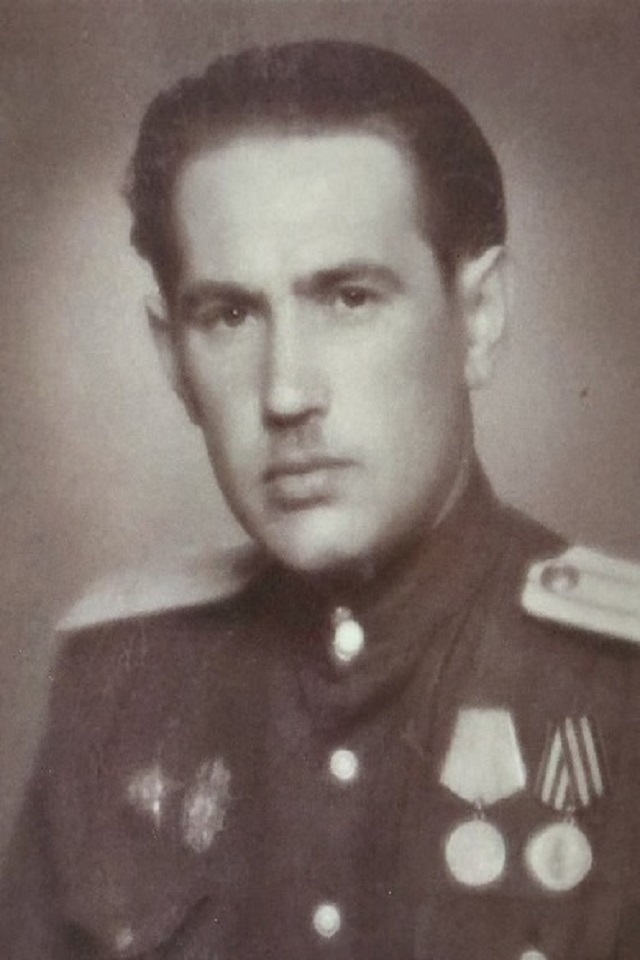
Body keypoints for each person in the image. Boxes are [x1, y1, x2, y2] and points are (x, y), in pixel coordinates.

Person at [2, 39, 640, 960]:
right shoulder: (118, 688)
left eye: (348, 299)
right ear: (173, 360)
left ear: (480, 317)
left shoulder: (619, 689)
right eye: (230, 315)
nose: (286, 392)